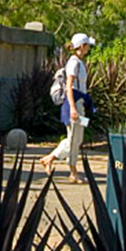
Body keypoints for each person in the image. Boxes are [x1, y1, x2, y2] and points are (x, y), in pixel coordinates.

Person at [40, 32, 95, 183]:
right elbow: (69, 87)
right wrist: (72, 108)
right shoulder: (74, 63)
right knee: (74, 139)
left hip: (79, 103)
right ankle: (73, 172)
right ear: (82, 46)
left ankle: (50, 158)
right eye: (87, 45)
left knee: (76, 139)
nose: (89, 48)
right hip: (74, 103)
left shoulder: (79, 62)